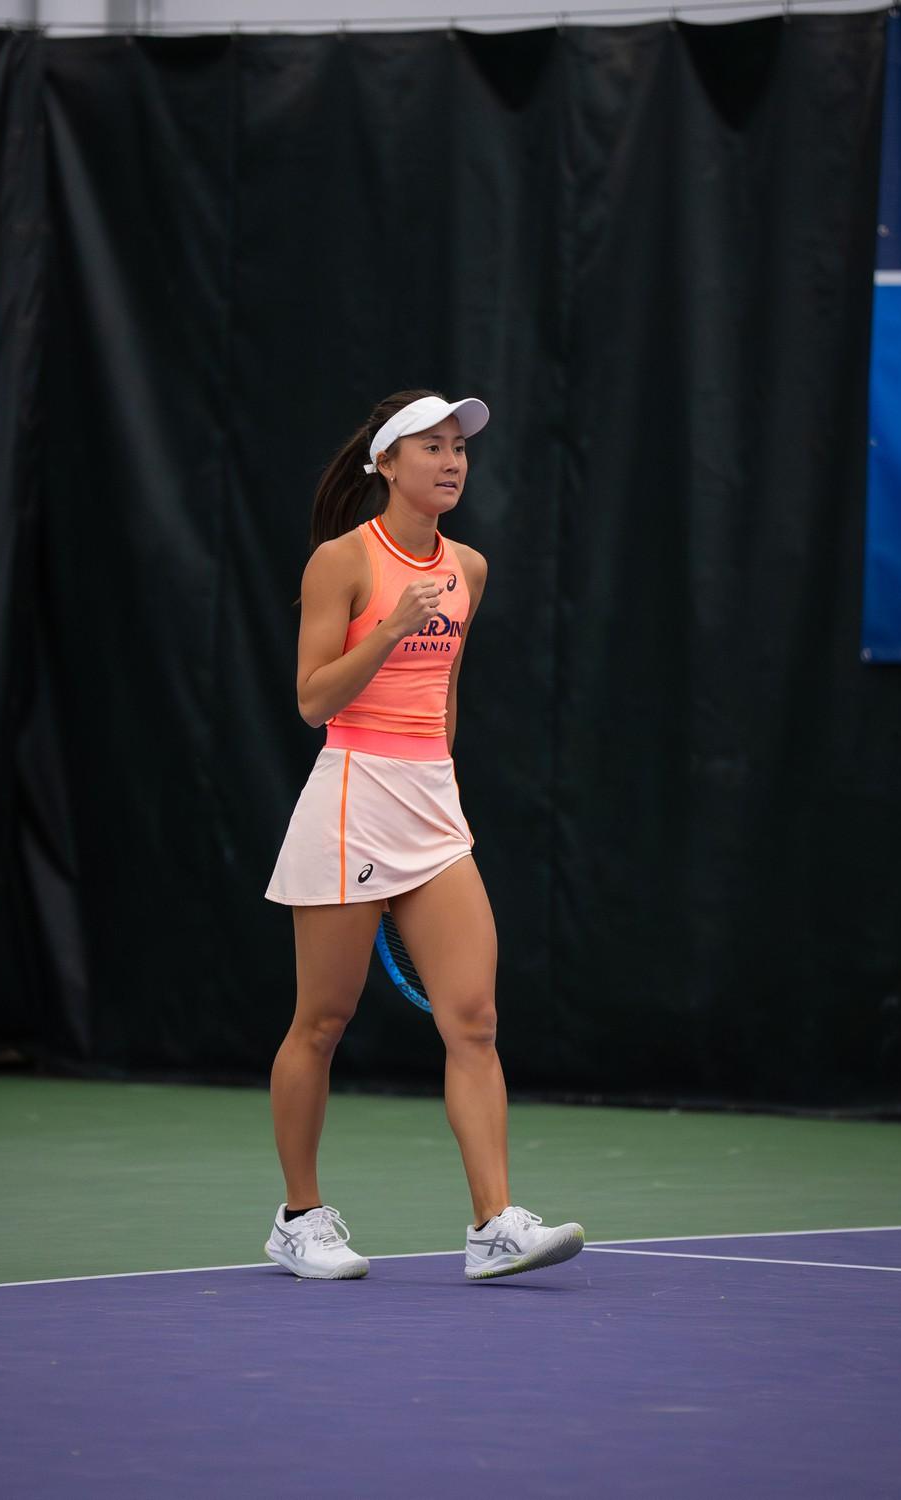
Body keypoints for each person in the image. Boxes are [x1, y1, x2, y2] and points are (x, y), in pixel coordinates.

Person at [263, 389, 584, 1281]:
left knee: (474, 1020)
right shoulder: (342, 561)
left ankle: (493, 1225)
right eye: (432, 447)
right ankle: (299, 1218)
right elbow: (313, 700)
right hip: (352, 797)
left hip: (432, 807)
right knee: (322, 1022)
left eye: (459, 448)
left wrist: (439, 780)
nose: (451, 462)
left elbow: (444, 696)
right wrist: (390, 630)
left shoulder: (469, 567)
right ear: (388, 463)